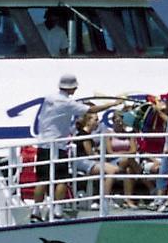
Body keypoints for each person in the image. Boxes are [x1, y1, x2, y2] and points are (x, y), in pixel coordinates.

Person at [32, 74, 115, 221]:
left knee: (42, 179)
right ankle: (57, 211)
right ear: (73, 87)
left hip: (43, 144)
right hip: (58, 145)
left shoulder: (50, 98)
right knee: (62, 179)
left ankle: (35, 211)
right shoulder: (67, 103)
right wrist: (113, 104)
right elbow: (92, 110)